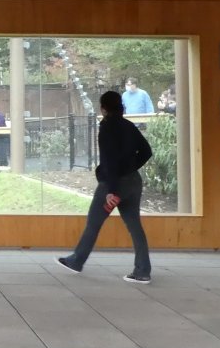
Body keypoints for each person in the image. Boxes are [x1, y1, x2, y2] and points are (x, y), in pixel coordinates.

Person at [57, 91, 153, 283]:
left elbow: (109, 161)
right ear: (121, 106)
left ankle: (77, 261)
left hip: (113, 185)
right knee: (135, 227)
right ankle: (143, 270)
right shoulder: (128, 126)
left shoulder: (107, 127)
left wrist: (112, 190)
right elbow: (146, 151)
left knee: (94, 223)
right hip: (133, 182)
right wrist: (131, 167)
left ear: (103, 109)